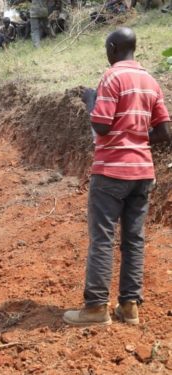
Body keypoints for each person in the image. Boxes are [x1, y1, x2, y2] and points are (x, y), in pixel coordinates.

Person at [63, 28, 171, 326]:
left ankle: (96, 308)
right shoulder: (150, 81)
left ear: (112, 48)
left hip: (111, 172)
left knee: (102, 239)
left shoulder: (112, 77)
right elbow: (164, 133)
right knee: (133, 240)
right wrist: (137, 136)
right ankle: (129, 307)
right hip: (143, 173)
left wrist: (90, 99)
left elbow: (100, 125)